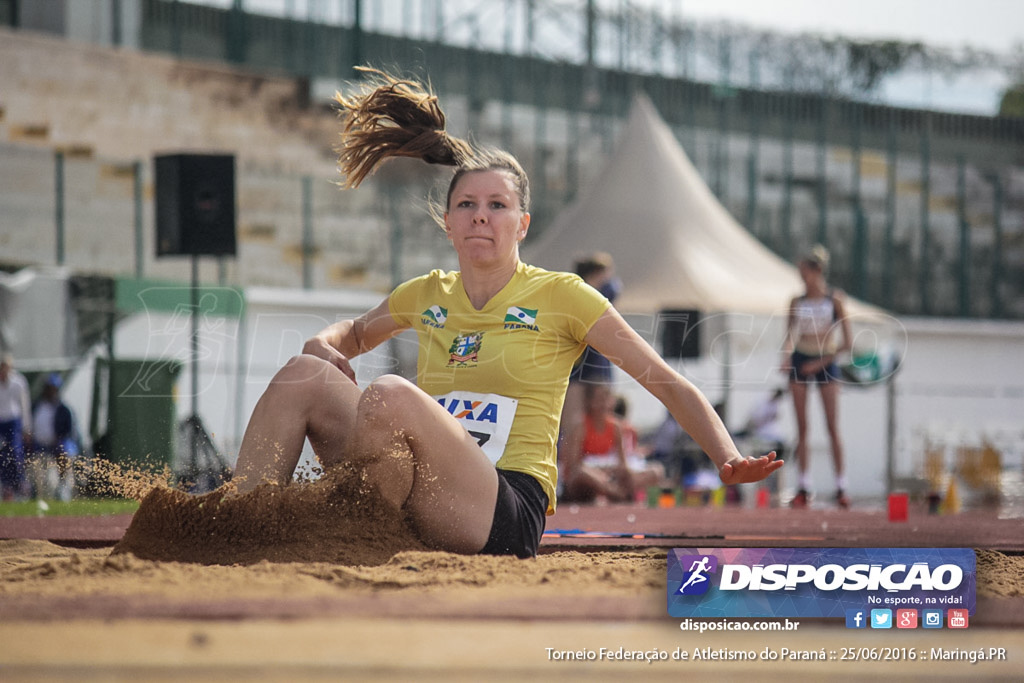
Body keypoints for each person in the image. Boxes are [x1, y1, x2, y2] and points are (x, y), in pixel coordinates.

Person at [230, 67, 782, 558]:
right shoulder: (428, 293)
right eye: (466, 205)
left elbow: (664, 380)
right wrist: (325, 344)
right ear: (447, 222)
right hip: (417, 486)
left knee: (390, 394)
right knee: (305, 373)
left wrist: (726, 455)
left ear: (522, 224)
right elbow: (349, 333)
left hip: (504, 506)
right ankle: (235, 526)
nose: (480, 217)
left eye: (497, 206)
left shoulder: (563, 295)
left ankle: (349, 534)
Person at [780, 245, 851, 509]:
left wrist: (820, 362)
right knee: (802, 427)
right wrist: (786, 357)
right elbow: (788, 336)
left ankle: (841, 485)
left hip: (826, 361)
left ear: (817, 270)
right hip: (801, 358)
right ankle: (803, 485)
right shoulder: (796, 302)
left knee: (832, 426)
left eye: (805, 271)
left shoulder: (834, 300)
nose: (801, 277)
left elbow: (847, 343)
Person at [557, 252, 622, 455]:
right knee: (572, 422)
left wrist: (593, 283)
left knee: (601, 416)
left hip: (597, 366)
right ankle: (567, 465)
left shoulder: (603, 291)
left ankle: (597, 460)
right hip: (576, 368)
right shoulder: (574, 291)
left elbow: (614, 288)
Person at [28, 373, 79, 502]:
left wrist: (58, 442)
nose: (51, 392)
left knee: (61, 466)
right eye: (48, 388)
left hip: (56, 448)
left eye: (53, 389)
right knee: (43, 480)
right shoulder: (37, 407)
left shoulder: (63, 410)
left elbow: (68, 431)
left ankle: (64, 489)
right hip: (40, 448)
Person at [0, 353, 31, 501]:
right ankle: (6, 486)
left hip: (13, 421)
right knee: (3, 454)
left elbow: (24, 405)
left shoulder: (18, 382)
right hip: (1, 422)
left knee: (15, 451)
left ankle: (20, 484)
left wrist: (26, 427)